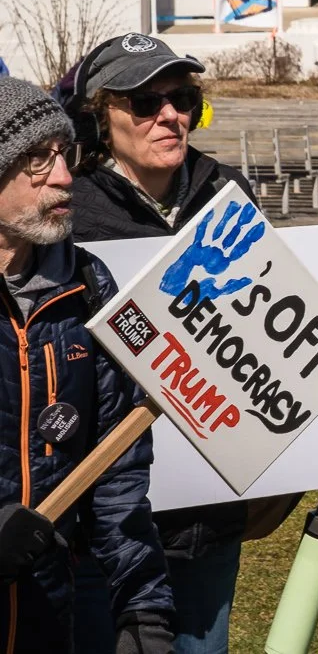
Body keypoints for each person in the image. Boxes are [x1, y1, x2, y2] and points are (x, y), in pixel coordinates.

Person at [61, 36, 289, 653]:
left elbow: (277, 339)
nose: (170, 116)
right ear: (100, 117)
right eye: (144, 102)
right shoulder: (69, 213)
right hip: (104, 524)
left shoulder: (227, 193)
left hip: (209, 516)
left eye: (183, 98)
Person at [0, 79, 177, 653]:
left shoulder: (89, 284)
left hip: (54, 612)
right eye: (35, 159)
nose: (63, 177)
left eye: (63, 154)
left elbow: (117, 468)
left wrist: (142, 606)